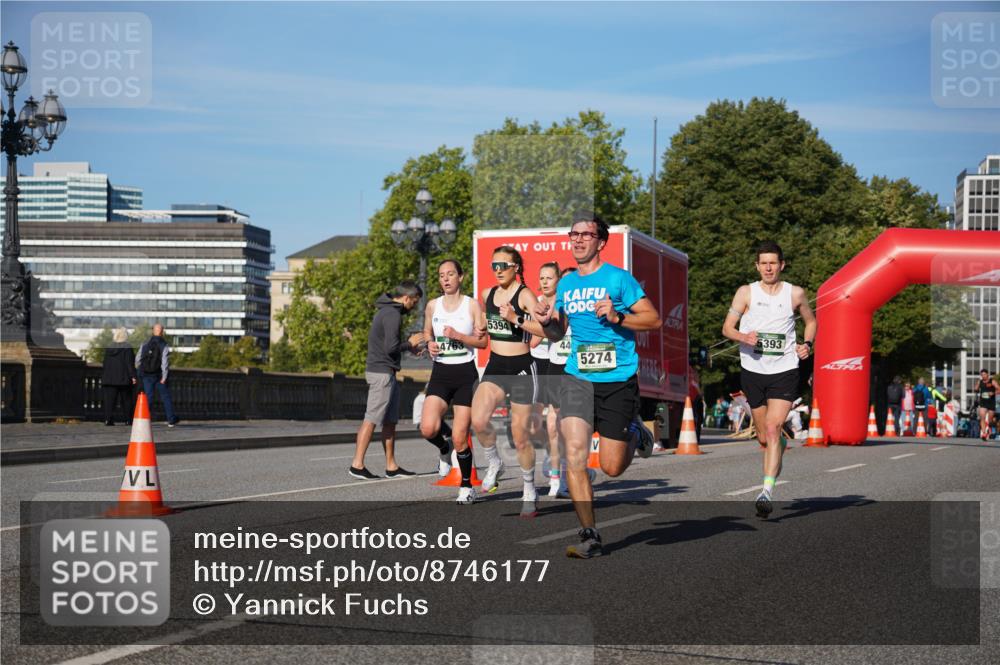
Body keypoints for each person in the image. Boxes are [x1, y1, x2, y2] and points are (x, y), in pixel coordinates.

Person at [531, 212, 660, 558]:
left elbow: (653, 318)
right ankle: (590, 534)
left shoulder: (619, 280)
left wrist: (619, 317)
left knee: (611, 467)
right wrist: (547, 322)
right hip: (576, 377)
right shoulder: (566, 285)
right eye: (573, 234)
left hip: (617, 379)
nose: (577, 240)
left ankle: (636, 432)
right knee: (574, 456)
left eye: (585, 235)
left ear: (601, 242)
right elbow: (558, 331)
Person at [722, 240, 816, 519]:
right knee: (764, 438)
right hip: (753, 370)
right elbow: (727, 328)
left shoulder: (795, 293)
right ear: (757, 266)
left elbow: (811, 321)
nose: (768, 267)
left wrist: (807, 345)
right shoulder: (745, 293)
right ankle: (779, 447)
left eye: (773, 263)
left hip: (785, 370)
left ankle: (766, 492)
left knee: (775, 428)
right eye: (763, 263)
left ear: (781, 265)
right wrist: (743, 336)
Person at [470, 246, 541, 517]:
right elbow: (484, 330)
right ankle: (494, 462)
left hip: (522, 367)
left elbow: (544, 328)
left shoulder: (524, 295)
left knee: (521, 437)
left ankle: (529, 488)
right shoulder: (487, 295)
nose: (498, 270)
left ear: (516, 268)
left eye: (503, 265)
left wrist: (516, 318)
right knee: (478, 419)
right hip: (497, 365)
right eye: (494, 265)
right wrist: (481, 328)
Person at [420, 260, 487, 503]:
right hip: (440, 373)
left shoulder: (471, 305)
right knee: (427, 428)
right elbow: (427, 332)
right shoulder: (432, 306)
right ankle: (443, 448)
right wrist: (429, 343)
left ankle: (467, 486)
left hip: (465, 375)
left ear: (460, 276)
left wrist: (458, 336)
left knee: (461, 436)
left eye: (450, 274)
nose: (445, 279)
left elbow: (482, 343)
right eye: (441, 275)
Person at [349, 282, 425, 479]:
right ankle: (357, 464)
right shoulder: (392, 314)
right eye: (415, 302)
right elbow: (390, 348)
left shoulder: (388, 311)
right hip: (381, 373)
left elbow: (390, 346)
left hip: (388, 372)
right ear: (407, 298)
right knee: (371, 418)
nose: (414, 307)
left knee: (390, 422)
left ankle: (391, 466)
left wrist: (409, 347)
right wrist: (410, 343)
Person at [136, 323, 179, 427]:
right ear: (162, 332)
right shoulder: (164, 344)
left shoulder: (145, 343)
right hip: (159, 375)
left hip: (146, 375)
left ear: (153, 331)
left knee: (149, 397)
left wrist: (140, 370)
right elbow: (165, 363)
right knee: (165, 397)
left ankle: (144, 419)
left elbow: (138, 359)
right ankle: (171, 420)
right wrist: (164, 377)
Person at [102, 327, 136, 426]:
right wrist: (133, 376)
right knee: (126, 400)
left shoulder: (109, 347)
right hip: (123, 378)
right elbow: (129, 364)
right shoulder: (127, 347)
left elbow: (105, 363)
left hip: (109, 378)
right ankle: (128, 420)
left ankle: (108, 419)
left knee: (109, 401)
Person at [976, 369, 997, 442]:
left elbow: (999, 389)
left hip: (991, 402)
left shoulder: (992, 381)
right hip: (983, 402)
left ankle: (990, 428)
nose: (983, 376)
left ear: (987, 374)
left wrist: (993, 393)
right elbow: (976, 389)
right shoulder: (980, 381)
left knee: (990, 420)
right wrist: (976, 388)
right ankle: (984, 433)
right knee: (982, 417)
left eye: (984, 374)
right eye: (982, 375)